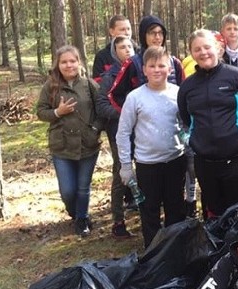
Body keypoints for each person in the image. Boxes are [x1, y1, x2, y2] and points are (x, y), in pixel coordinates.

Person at [178, 29, 238, 218]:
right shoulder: (187, 86)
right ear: (191, 53)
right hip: (206, 161)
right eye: (197, 49)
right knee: (215, 212)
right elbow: (186, 117)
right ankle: (218, 247)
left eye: (207, 47)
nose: (203, 52)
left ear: (218, 48)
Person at [116, 46, 186, 248]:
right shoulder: (135, 97)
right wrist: (126, 166)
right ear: (144, 70)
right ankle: (153, 253)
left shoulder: (178, 94)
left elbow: (184, 126)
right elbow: (123, 132)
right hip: (147, 164)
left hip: (175, 160)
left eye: (162, 65)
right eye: (152, 66)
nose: (157, 70)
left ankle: (175, 249)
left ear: (170, 69)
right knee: (149, 210)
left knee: (175, 208)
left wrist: (189, 153)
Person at [36, 45, 101, 237]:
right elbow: (40, 111)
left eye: (72, 61)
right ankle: (75, 212)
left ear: (79, 62)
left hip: (87, 145)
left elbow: (101, 110)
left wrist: (95, 129)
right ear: (58, 64)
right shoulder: (51, 86)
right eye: (64, 62)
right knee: (68, 191)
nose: (68, 65)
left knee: (83, 187)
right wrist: (58, 112)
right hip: (61, 146)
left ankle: (82, 218)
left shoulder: (89, 85)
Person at [96, 35, 136, 238]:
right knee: (121, 173)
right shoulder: (109, 77)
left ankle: (143, 210)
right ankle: (118, 221)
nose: (127, 50)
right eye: (122, 47)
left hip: (142, 132)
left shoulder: (139, 73)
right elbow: (102, 106)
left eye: (130, 46)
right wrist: (125, 114)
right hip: (118, 132)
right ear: (114, 52)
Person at [108, 15, 185, 112]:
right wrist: (133, 113)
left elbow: (184, 93)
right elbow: (115, 95)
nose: (157, 37)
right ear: (144, 35)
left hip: (172, 122)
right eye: (152, 33)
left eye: (160, 33)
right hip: (143, 123)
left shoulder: (174, 63)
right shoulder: (132, 63)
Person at [92, 15, 132, 84]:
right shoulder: (102, 56)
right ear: (111, 32)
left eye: (128, 29)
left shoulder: (138, 52)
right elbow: (97, 84)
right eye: (122, 29)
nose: (127, 33)